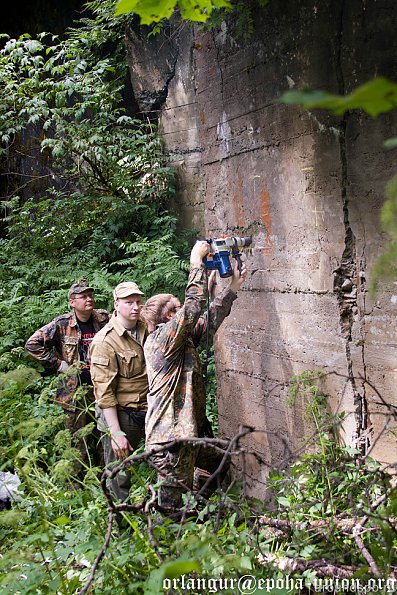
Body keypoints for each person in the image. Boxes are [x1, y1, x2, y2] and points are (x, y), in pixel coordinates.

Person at [142, 241, 247, 510]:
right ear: (169, 315)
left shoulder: (181, 341)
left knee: (221, 459)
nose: (183, 312)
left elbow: (209, 320)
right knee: (170, 507)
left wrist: (232, 287)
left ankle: (197, 509)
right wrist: (195, 262)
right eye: (176, 308)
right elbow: (194, 307)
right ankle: (167, 544)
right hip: (170, 440)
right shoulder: (161, 339)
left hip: (189, 433)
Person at [25, 279, 109, 472]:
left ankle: (105, 482)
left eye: (90, 295)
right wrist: (59, 365)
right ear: (72, 302)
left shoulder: (104, 319)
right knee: (76, 439)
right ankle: (75, 487)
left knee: (104, 436)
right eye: (83, 296)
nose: (89, 299)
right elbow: (33, 344)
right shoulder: (63, 324)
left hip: (102, 387)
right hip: (73, 392)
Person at [89, 282, 149, 501]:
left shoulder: (144, 327)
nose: (135, 307)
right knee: (118, 472)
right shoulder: (105, 341)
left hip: (147, 408)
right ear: (116, 305)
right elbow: (104, 393)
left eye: (137, 302)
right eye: (128, 302)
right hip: (121, 414)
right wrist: (116, 433)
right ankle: (121, 524)